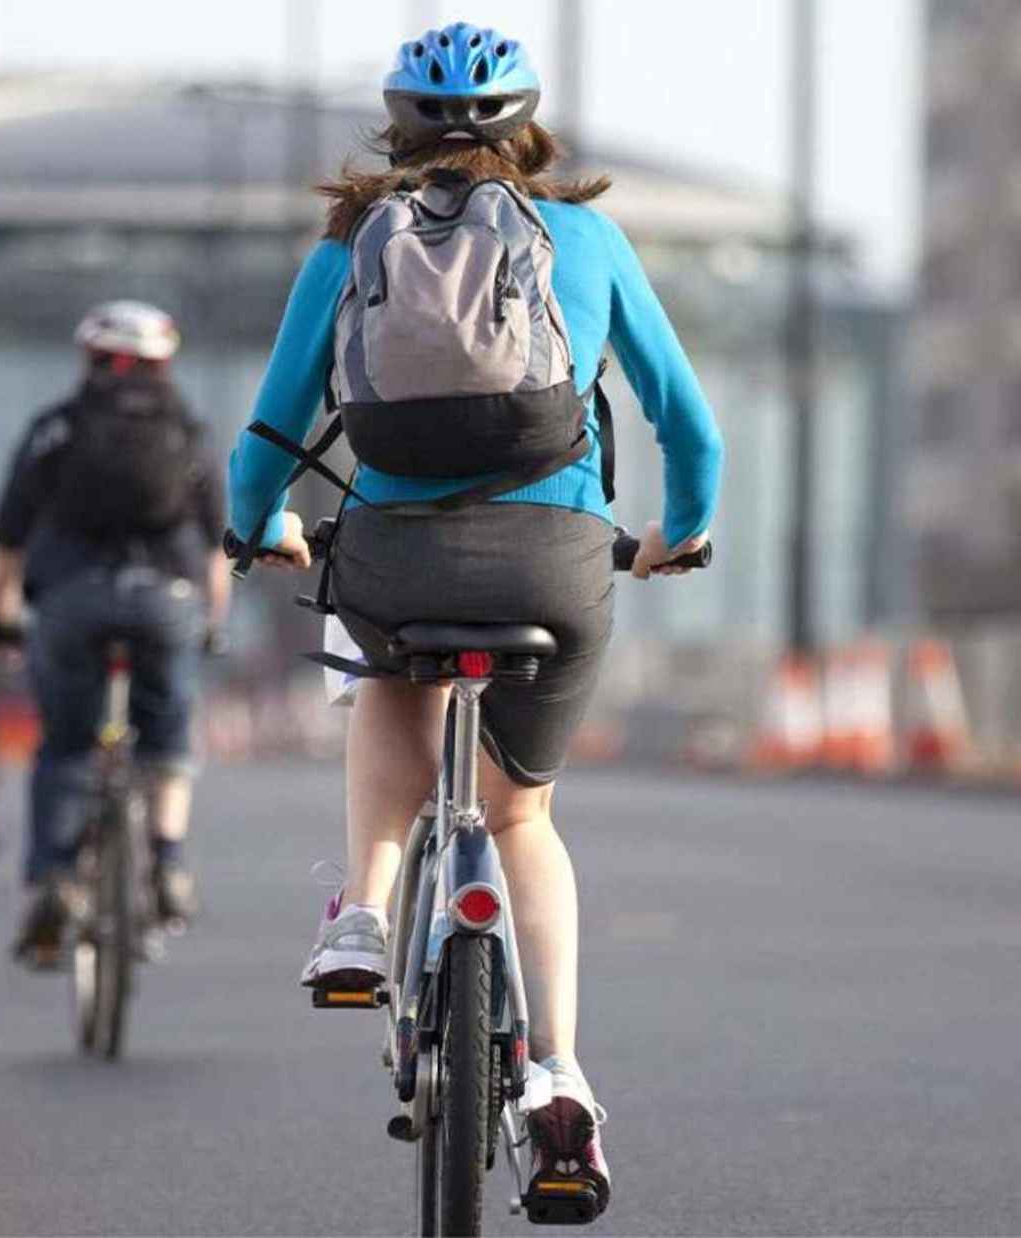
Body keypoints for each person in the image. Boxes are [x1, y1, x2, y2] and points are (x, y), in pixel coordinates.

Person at [228, 24, 724, 1220]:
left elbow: (267, 437)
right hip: (555, 563)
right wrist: (679, 533)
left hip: (395, 554)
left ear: (396, 128)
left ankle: (359, 912)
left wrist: (263, 527)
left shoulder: (350, 247)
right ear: (527, 126)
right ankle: (552, 1069)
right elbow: (689, 430)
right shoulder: (587, 238)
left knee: (386, 679)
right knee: (522, 813)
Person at [0, 302, 229, 961]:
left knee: (65, 745)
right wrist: (209, 624)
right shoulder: (188, 431)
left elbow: (9, 535)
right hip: (167, 600)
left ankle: (57, 877)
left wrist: (2, 614)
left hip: (72, 600)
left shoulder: (56, 430)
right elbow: (215, 545)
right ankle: (170, 861)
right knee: (170, 741)